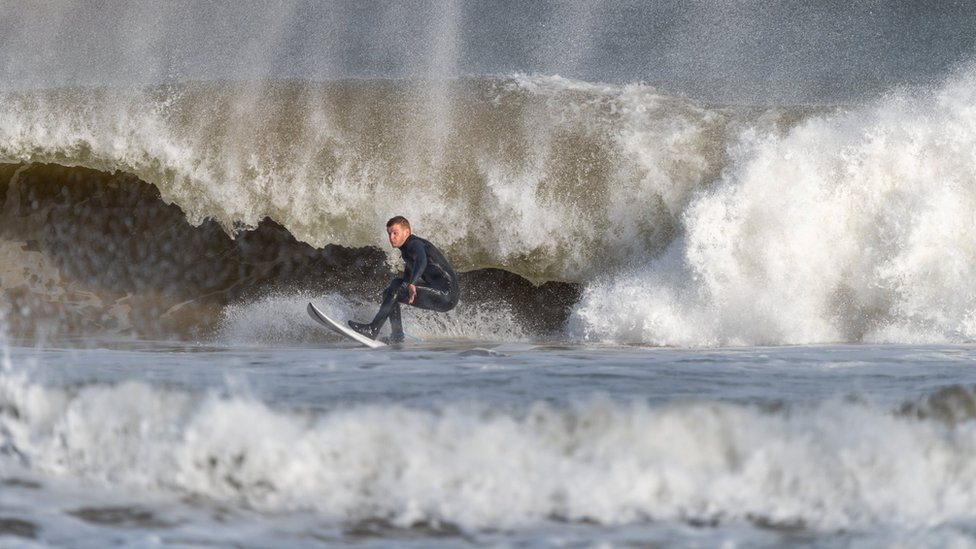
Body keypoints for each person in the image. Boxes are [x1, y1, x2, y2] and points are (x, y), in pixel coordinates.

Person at [348, 216, 459, 342]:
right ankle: (397, 336)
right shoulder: (407, 251)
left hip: (446, 294)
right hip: (445, 295)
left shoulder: (414, 244)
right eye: (389, 234)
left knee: (395, 290)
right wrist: (397, 294)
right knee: (391, 291)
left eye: (395, 233)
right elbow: (403, 282)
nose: (391, 237)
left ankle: (372, 330)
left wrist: (412, 284)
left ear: (406, 232)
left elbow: (421, 261)